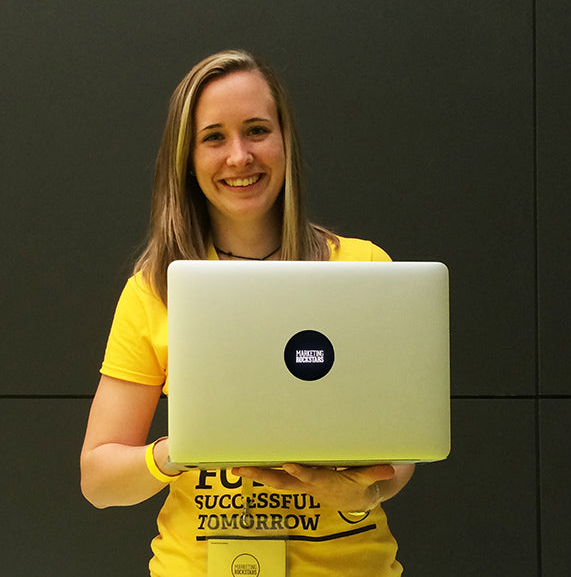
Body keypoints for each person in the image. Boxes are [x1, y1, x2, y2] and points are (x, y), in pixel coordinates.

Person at [80, 49, 415, 576]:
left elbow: (399, 462)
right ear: (186, 158)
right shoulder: (154, 290)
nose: (239, 156)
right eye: (214, 137)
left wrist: (357, 493)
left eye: (257, 130)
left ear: (285, 142)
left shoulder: (362, 267)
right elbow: (98, 481)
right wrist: (180, 450)